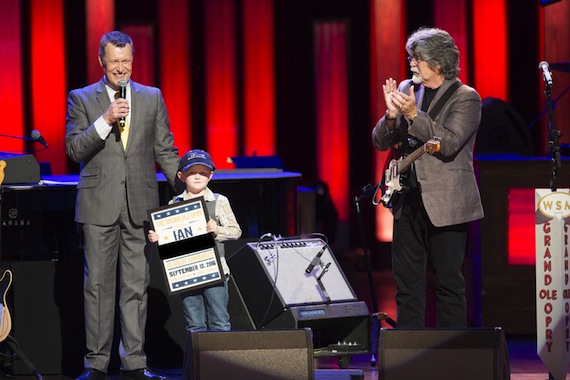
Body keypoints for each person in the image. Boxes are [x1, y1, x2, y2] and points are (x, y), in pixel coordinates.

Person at [65, 30, 180, 380]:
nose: (121, 68)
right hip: (99, 206)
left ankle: (134, 363)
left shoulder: (152, 97)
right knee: (97, 288)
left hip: (140, 207)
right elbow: (73, 149)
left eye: (126, 61)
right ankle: (96, 364)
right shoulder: (82, 99)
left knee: (135, 288)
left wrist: (188, 188)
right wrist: (106, 119)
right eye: (114, 62)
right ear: (102, 61)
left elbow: (165, 150)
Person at [372, 27, 484, 328]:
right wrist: (392, 117)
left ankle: (450, 357)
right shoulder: (410, 88)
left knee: (448, 282)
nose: (410, 64)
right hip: (407, 200)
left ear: (438, 62)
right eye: (410, 57)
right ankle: (409, 357)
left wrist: (413, 115)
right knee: (407, 286)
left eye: (416, 58)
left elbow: (447, 144)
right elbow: (381, 142)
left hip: (447, 203)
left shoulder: (466, 98)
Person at [148, 149, 242, 331]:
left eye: (203, 173)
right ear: (181, 176)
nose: (197, 177)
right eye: (192, 173)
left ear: (210, 176)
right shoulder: (174, 204)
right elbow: (170, 240)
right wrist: (158, 237)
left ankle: (220, 360)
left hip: (215, 271)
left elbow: (236, 231)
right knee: (194, 324)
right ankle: (199, 360)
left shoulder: (219, 201)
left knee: (220, 322)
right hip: (187, 273)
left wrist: (217, 229)